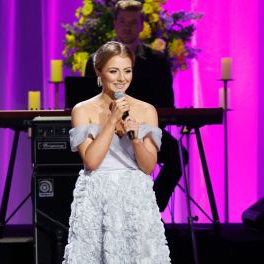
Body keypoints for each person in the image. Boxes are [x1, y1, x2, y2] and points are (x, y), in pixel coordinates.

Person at [64, 41, 170, 263]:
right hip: (97, 194)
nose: (122, 78)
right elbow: (92, 161)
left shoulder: (147, 110)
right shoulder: (83, 110)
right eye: (114, 71)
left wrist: (137, 140)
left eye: (127, 70)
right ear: (99, 72)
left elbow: (149, 166)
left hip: (134, 196)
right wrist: (112, 120)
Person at [84, 0, 186, 212]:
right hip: (106, 131)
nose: (127, 27)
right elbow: (88, 103)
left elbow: (167, 104)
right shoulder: (97, 59)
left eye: (133, 22)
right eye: (123, 21)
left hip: (145, 130)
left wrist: (142, 129)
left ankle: (150, 209)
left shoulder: (157, 61)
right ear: (115, 24)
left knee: (178, 154)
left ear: (142, 25)